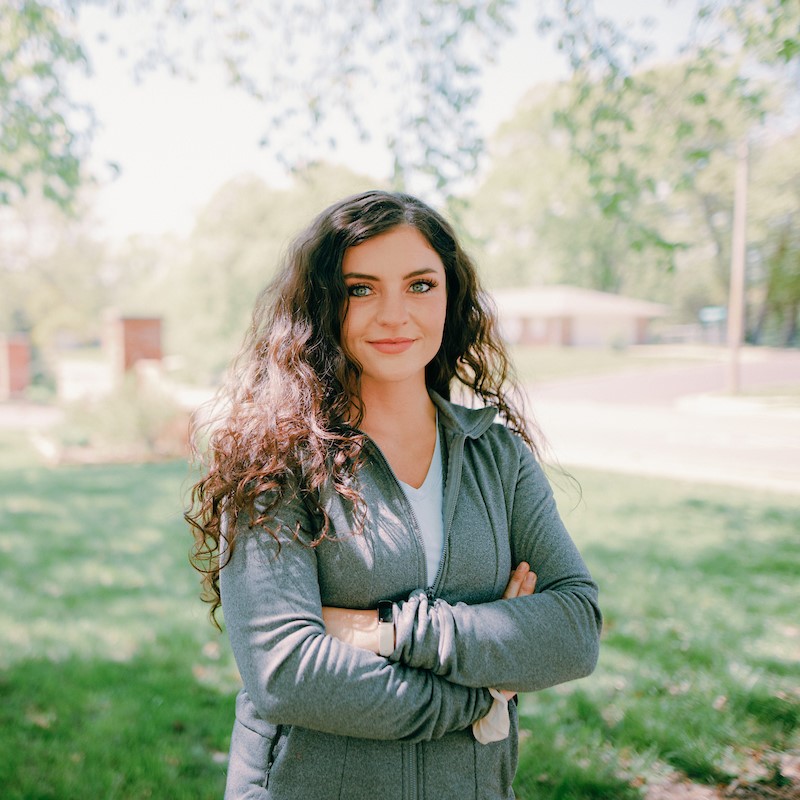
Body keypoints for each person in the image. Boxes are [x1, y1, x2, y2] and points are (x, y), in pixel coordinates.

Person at [186, 190, 602, 800]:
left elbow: (574, 630)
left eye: (420, 285)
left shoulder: (499, 456)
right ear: (323, 305)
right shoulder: (274, 465)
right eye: (361, 289)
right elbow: (287, 673)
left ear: (450, 298)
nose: (393, 315)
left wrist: (390, 634)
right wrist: (484, 690)